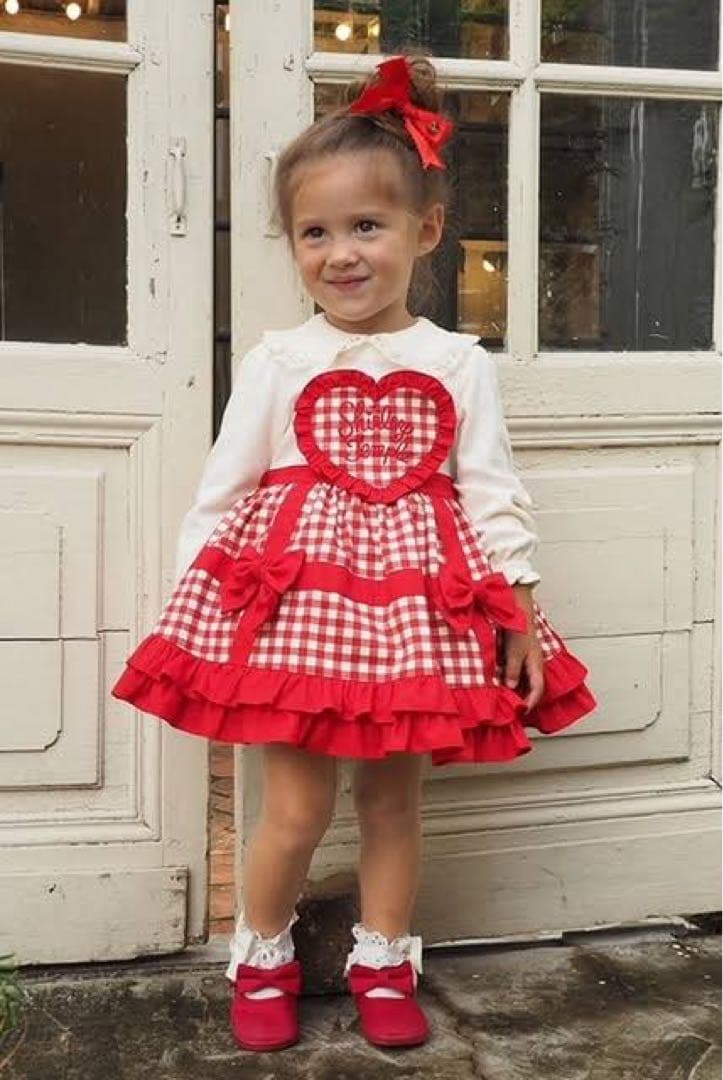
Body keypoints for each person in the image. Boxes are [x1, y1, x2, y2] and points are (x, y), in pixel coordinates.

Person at [112, 54, 596, 1054]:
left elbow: (492, 490)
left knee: (391, 804)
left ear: (425, 231)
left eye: (366, 226)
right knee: (292, 808)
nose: (341, 254)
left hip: (417, 617)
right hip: (297, 611)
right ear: (293, 243)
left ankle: (382, 960)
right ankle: (263, 953)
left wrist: (517, 604)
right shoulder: (279, 359)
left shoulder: (456, 363)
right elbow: (225, 488)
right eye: (315, 233)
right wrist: (199, 614)